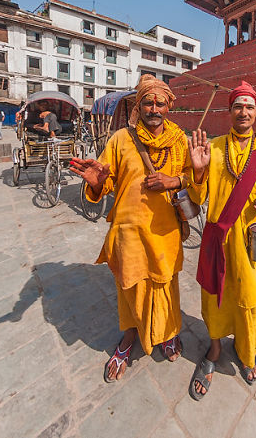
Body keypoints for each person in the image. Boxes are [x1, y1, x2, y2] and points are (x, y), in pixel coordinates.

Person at [69, 74, 195, 383]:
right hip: (128, 234)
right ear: (138, 107)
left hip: (165, 234)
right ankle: (128, 340)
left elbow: (197, 179)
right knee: (128, 291)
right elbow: (105, 179)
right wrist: (98, 185)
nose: (154, 108)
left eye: (160, 103)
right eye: (148, 103)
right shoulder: (119, 140)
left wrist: (174, 181)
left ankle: (167, 334)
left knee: (166, 289)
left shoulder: (180, 141)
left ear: (169, 107)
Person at [189, 81, 256, 400]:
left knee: (249, 299)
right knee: (214, 298)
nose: (243, 112)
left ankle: (247, 350)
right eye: (237, 106)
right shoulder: (213, 148)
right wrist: (199, 173)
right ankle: (214, 350)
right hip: (218, 237)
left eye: (249, 106)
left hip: (249, 242)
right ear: (229, 111)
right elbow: (197, 195)